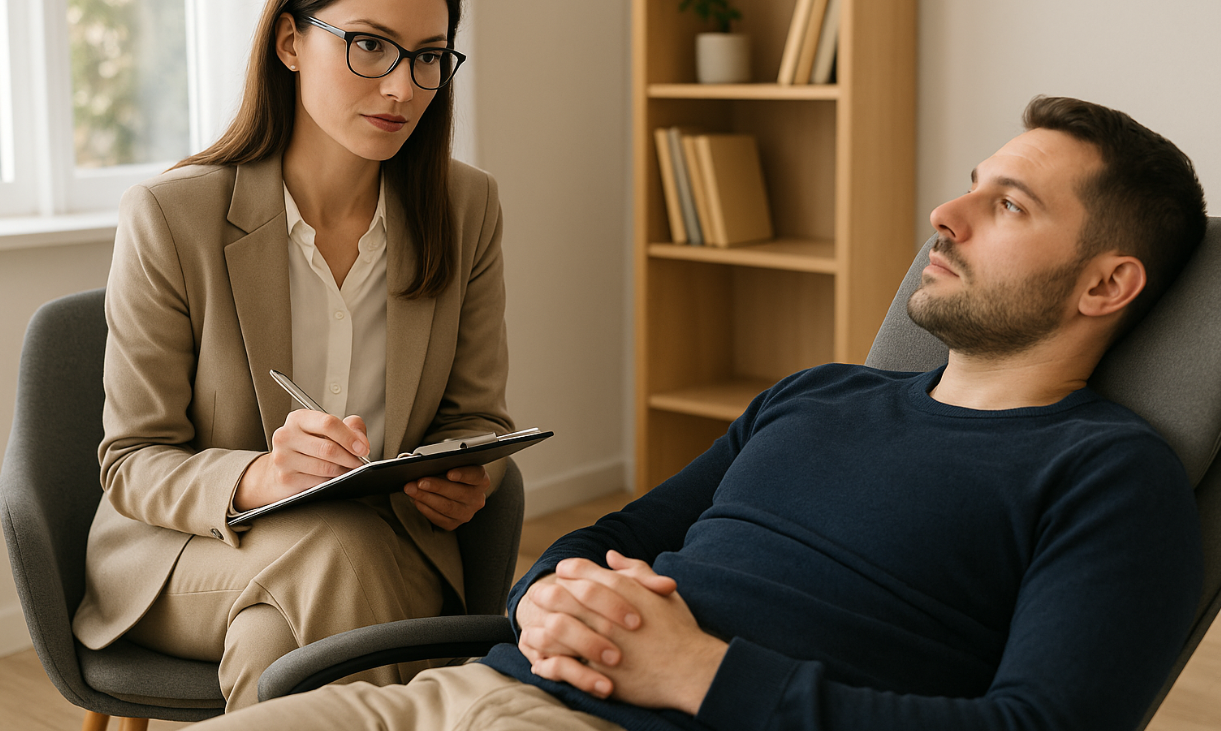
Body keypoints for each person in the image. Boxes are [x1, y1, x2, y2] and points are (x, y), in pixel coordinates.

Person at [193, 96, 1207, 731]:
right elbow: (615, 534)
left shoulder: (1108, 475)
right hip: (442, 699)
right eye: (972, 187)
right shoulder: (817, 393)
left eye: (1009, 205)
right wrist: (544, 596)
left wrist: (699, 673)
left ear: (1106, 283)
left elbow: (1038, 724)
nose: (945, 215)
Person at [70, 0, 513, 711]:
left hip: (390, 546)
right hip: (193, 552)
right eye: (369, 45)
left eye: (428, 57)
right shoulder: (172, 215)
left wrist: (467, 475)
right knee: (334, 553)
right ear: (289, 42)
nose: (402, 87)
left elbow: (478, 417)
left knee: (274, 645)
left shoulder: (465, 206)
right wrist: (259, 476)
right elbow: (132, 459)